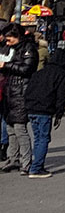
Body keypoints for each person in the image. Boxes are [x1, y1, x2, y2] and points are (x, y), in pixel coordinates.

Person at [24, 47, 65, 177]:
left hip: (32, 108)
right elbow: (61, 95)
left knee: (37, 138)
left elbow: (29, 89)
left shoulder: (40, 72)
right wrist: (59, 113)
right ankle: (37, 168)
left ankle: (34, 165)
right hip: (45, 109)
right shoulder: (61, 74)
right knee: (43, 139)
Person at [0, 24, 37, 174]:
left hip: (21, 92)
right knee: (10, 128)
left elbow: (27, 69)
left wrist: (6, 65)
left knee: (20, 129)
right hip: (10, 91)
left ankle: (26, 162)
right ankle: (12, 158)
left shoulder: (28, 49)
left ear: (17, 37)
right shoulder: (11, 48)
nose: (7, 43)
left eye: (9, 40)